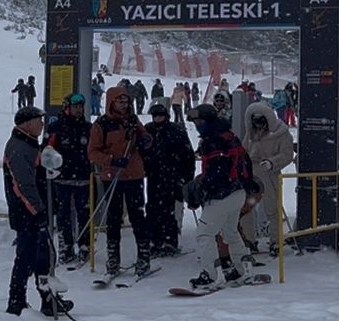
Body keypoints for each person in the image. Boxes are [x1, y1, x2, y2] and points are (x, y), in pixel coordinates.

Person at [3, 105, 74, 317]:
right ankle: (16, 301)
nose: (42, 124)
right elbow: (23, 185)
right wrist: (38, 210)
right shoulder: (19, 148)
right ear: (27, 124)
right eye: (38, 121)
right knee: (26, 258)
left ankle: (48, 298)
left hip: (35, 210)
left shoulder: (31, 144)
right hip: (26, 212)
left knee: (44, 257)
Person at [183, 104, 261, 289]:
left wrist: (198, 190)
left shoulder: (214, 141)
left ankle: (210, 274)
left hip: (221, 196)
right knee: (230, 231)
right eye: (194, 122)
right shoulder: (229, 136)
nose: (197, 125)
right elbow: (245, 161)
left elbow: (217, 173)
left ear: (209, 121)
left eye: (200, 122)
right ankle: (244, 269)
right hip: (238, 193)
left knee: (204, 234)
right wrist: (246, 183)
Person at [87, 87, 151, 278]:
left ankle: (144, 257)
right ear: (111, 102)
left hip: (134, 175)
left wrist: (145, 140)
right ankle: (113, 259)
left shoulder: (132, 120)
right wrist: (111, 160)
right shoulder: (101, 124)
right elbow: (93, 153)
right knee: (113, 219)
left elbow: (146, 139)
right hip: (113, 176)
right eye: (120, 102)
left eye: (126, 102)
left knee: (138, 216)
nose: (124, 105)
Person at [240, 102, 295, 256]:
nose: (259, 127)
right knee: (247, 208)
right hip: (251, 174)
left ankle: (275, 241)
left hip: (269, 174)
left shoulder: (282, 134)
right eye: (255, 123)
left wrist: (272, 162)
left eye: (261, 123)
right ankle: (249, 240)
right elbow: (244, 150)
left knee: (272, 208)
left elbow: (287, 154)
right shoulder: (251, 134)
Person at [45, 93, 93, 265]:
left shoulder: (88, 128)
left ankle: (84, 245)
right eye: (75, 107)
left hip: (83, 178)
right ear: (67, 108)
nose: (79, 110)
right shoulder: (56, 127)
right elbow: (47, 149)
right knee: (63, 215)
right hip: (62, 178)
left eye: (81, 107)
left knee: (84, 214)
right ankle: (66, 247)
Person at [143, 103, 195, 257]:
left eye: (161, 115)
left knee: (169, 210)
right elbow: (142, 150)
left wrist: (187, 178)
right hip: (154, 176)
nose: (158, 118)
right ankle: (154, 240)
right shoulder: (149, 130)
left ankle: (170, 241)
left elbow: (188, 155)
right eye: (155, 116)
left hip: (173, 176)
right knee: (152, 209)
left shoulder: (176, 131)